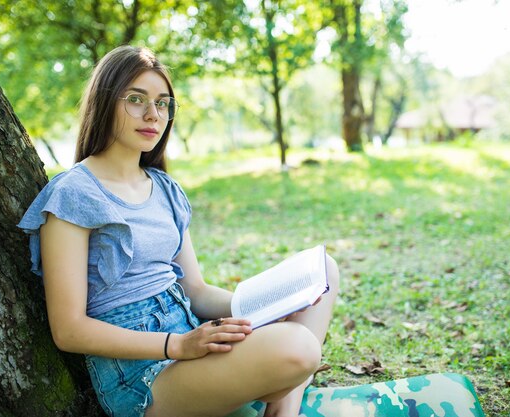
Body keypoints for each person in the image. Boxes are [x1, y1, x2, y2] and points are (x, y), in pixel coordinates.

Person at [18, 45, 340, 417]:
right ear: (105, 102)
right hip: (143, 375)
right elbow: (69, 330)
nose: (152, 114)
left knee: (324, 273)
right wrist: (177, 345)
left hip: (193, 334)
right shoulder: (73, 193)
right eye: (136, 100)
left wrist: (268, 308)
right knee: (298, 348)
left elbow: (197, 292)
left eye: (163, 103)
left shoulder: (165, 188)